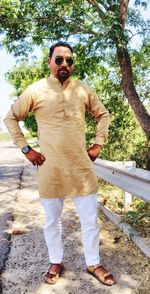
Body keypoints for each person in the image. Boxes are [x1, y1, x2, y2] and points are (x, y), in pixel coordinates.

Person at [4, 41, 115, 286]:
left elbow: (103, 114)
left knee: (89, 220)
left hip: (80, 167)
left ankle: (93, 262)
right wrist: (26, 149)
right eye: (59, 59)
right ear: (50, 62)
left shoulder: (83, 90)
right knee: (52, 221)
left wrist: (98, 144)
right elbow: (11, 118)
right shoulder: (35, 90)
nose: (64, 64)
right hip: (50, 168)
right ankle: (55, 260)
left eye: (69, 60)